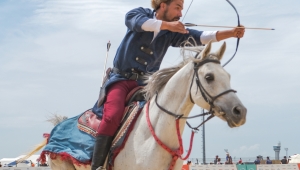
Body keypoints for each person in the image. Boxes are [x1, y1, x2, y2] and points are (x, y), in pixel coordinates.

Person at [90, 0, 245, 169]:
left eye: (181, 9)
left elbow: (201, 36)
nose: (180, 13)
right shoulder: (138, 14)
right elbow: (140, 24)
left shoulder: (171, 33)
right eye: (177, 7)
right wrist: (168, 26)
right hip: (121, 81)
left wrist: (231, 33)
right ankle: (97, 166)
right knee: (112, 116)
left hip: (146, 86)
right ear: (163, 5)